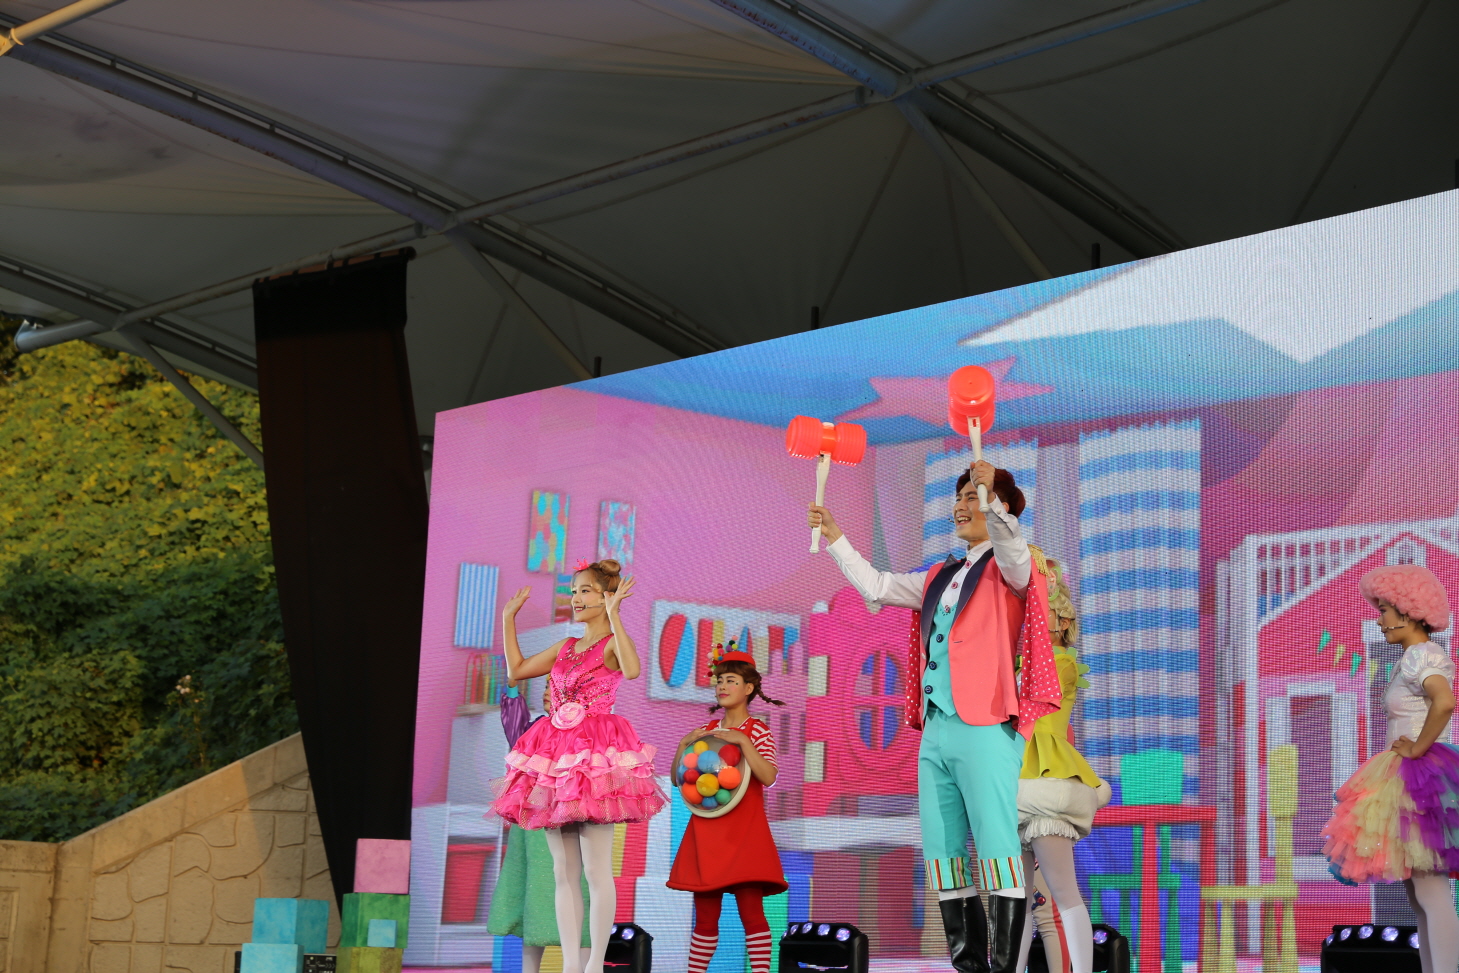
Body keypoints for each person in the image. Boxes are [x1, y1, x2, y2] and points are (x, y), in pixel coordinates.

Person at [809, 460, 1062, 973]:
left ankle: (1004, 967)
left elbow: (1013, 550)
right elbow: (878, 587)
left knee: (997, 847)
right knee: (944, 854)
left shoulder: (1013, 567)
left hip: (986, 724)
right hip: (937, 729)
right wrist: (836, 538)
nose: (961, 506)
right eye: (960, 497)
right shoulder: (939, 576)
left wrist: (993, 501)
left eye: (972, 496)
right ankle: (969, 966)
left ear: (996, 505)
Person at [493, 559, 668, 973]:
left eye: (585, 591)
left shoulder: (610, 644)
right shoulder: (566, 646)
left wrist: (616, 616)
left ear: (606, 596)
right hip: (557, 757)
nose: (575, 598)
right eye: (573, 591)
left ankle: (593, 965)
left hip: (595, 758)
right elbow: (517, 670)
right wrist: (507, 619)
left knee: (595, 868)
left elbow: (632, 669)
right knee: (562, 869)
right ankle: (571, 964)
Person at [1324, 563, 1459, 973]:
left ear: (1409, 611)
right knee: (1420, 896)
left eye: (1383, 611)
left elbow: (1445, 702)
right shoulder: (1410, 658)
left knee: (1431, 892)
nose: (1379, 620)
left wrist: (1417, 748)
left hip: (1418, 779)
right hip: (1403, 776)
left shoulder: (1423, 655)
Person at [1015, 558, 1110, 973]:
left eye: (1045, 611)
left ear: (1064, 621)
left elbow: (1033, 701)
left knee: (1063, 890)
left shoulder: (1062, 663)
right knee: (1015, 899)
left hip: (1045, 778)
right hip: (1012, 777)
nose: (1036, 620)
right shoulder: (1019, 664)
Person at [668, 644, 787, 973]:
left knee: (752, 914)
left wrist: (743, 742)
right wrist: (683, 745)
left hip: (744, 832)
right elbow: (679, 779)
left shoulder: (757, 730)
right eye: (719, 680)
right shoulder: (706, 732)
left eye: (731, 680)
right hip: (707, 832)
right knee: (705, 919)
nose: (722, 686)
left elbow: (769, 777)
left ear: (748, 688)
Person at [487, 677, 590, 973]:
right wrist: (512, 686)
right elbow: (513, 723)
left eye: (552, 687)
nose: (546, 692)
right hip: (532, 826)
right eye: (545, 686)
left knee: (578, 895)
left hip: (571, 823)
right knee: (533, 894)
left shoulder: (589, 731)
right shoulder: (534, 728)